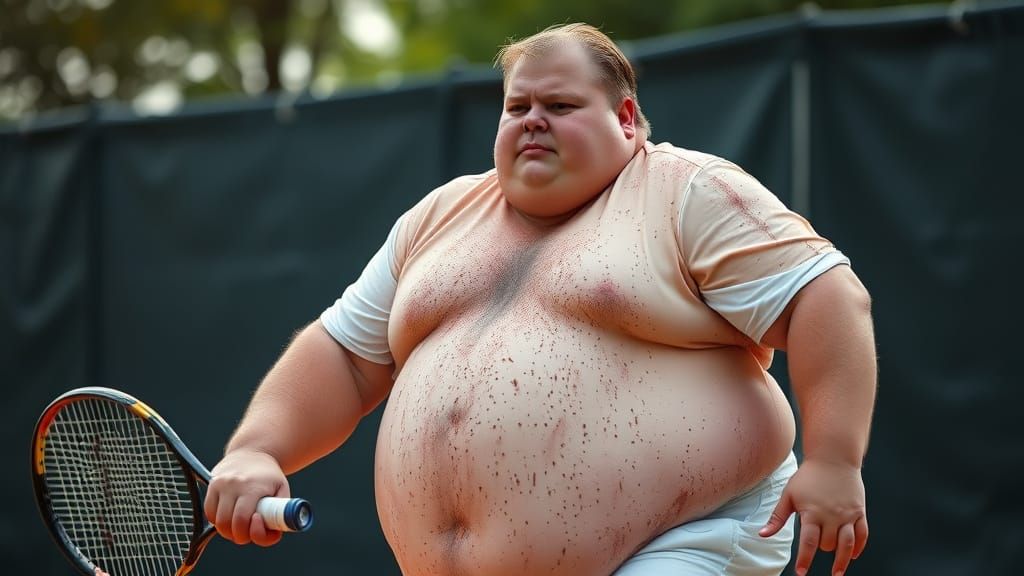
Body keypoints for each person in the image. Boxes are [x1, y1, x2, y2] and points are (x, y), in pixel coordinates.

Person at [204, 22, 876, 576]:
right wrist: (259, 449)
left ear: (626, 117)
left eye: (559, 106)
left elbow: (826, 296)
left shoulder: (686, 192)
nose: (532, 122)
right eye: (517, 107)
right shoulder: (440, 217)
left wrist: (835, 461)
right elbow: (346, 356)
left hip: (683, 540)